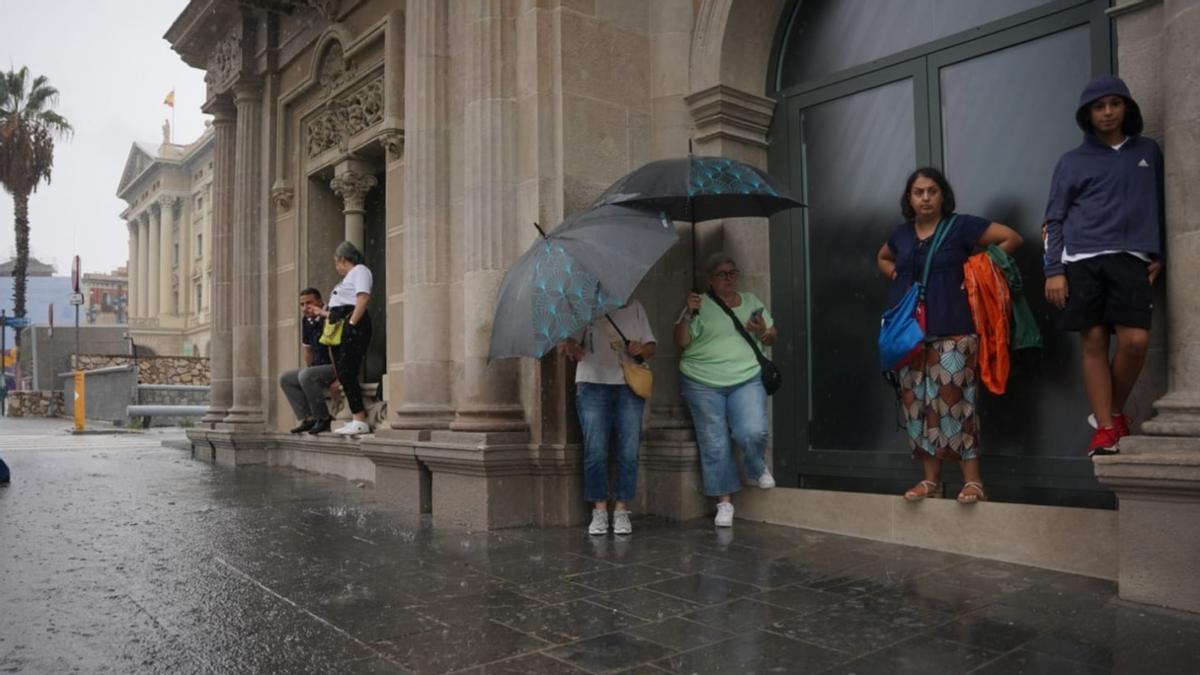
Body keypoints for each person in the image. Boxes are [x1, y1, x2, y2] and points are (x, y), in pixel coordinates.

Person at [876, 167, 1022, 504]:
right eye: (918, 192)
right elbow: (882, 257)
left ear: (943, 195)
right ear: (909, 199)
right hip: (909, 336)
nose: (925, 198)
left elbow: (1011, 238)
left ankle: (973, 482)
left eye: (932, 191)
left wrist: (977, 269)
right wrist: (897, 275)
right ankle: (930, 481)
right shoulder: (900, 235)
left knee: (956, 404)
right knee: (916, 406)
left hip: (954, 330)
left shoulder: (961, 226)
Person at [1042, 75, 1164, 457]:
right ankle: (1107, 431)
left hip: (1132, 258)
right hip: (1082, 259)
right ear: (1088, 114)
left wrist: (1160, 252)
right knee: (1093, 341)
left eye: (1114, 103)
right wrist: (1054, 270)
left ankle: (1107, 413)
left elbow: (1163, 203)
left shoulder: (1148, 151)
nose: (1107, 112)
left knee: (1135, 341)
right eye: (1098, 106)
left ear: (1126, 107)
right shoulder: (1072, 161)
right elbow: (1054, 219)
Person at [674, 253, 778, 528]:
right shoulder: (698, 304)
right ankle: (724, 502)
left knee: (751, 431)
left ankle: (756, 465)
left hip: (746, 377)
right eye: (722, 274)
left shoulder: (751, 301)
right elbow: (681, 342)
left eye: (732, 273)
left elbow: (771, 334)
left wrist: (764, 330)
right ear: (711, 279)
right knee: (714, 442)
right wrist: (687, 313)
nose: (729, 278)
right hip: (701, 381)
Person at [559, 301, 656, 535]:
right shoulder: (585, 310)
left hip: (628, 385)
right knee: (595, 450)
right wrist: (572, 347)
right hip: (592, 384)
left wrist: (640, 350)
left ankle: (622, 509)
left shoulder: (635, 308)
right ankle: (599, 510)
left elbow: (651, 346)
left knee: (629, 450)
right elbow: (568, 343)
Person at [313, 241, 374, 436]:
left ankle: (359, 418)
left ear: (341, 259)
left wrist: (352, 324)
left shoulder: (360, 270)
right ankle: (356, 417)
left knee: (347, 370)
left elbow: (363, 298)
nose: (336, 267)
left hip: (351, 324)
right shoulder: (348, 278)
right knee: (344, 372)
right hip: (342, 324)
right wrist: (322, 314)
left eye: (336, 262)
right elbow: (339, 309)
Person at [279, 288, 338, 435]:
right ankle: (309, 418)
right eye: (302, 304)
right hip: (319, 368)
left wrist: (339, 377)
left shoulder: (330, 314)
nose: (305, 308)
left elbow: (337, 350)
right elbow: (308, 352)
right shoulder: (306, 321)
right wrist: (309, 371)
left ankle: (324, 418)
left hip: (336, 366)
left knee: (306, 375)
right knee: (286, 378)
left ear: (319, 301)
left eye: (309, 303)